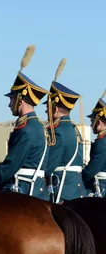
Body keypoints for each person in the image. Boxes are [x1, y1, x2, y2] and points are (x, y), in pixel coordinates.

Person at [0, 45, 49, 200]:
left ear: (19, 99)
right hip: (38, 189)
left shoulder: (26, 129)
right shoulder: (37, 126)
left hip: (22, 189)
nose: (9, 104)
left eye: (11, 99)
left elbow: (10, 167)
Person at [43, 59, 86, 202]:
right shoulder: (74, 129)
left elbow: (49, 167)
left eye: (47, 107)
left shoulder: (58, 131)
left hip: (63, 193)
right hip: (77, 189)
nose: (45, 110)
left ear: (54, 109)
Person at [82, 91, 106, 196]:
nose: (91, 124)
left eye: (92, 121)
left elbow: (91, 171)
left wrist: (77, 179)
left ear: (99, 122)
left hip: (101, 186)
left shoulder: (102, 142)